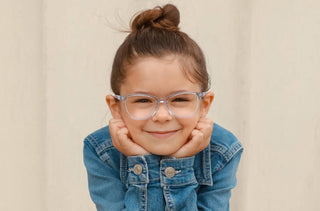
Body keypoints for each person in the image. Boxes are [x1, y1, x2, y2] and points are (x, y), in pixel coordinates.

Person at [83, 4, 243, 211]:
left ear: (204, 105)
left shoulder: (222, 150)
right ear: (116, 107)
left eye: (179, 100)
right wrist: (143, 162)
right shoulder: (101, 150)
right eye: (143, 100)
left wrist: (179, 164)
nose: (162, 115)